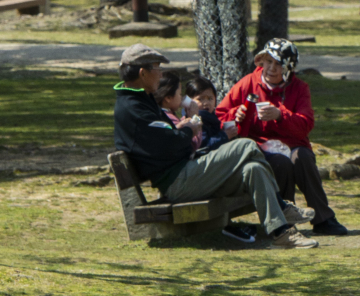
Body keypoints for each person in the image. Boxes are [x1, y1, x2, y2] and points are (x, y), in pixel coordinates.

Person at [112, 44, 316, 249]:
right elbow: (171, 144)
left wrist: (181, 132)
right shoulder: (133, 108)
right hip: (178, 181)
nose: (160, 74)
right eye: (157, 68)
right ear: (143, 73)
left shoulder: (140, 101)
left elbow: (168, 141)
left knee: (253, 169)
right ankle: (282, 207)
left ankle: (281, 233)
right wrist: (189, 130)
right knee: (245, 145)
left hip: (187, 172)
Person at [219, 40, 348, 235]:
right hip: (260, 147)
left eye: (278, 63)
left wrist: (280, 115)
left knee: (302, 158)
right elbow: (220, 115)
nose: (271, 68)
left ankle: (324, 219)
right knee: (280, 162)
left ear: (288, 67)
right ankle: (284, 222)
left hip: (295, 144)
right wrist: (237, 114)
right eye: (268, 61)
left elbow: (306, 124)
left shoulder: (300, 88)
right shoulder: (247, 83)